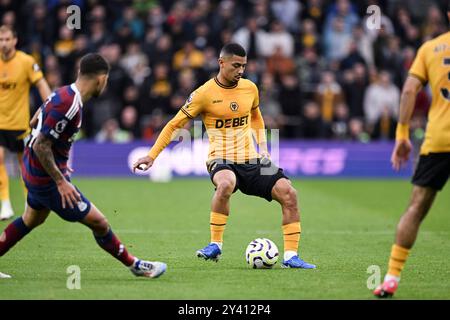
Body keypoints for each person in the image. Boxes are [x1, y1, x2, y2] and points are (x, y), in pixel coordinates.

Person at [133, 43, 316, 269]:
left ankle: (290, 257)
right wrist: (152, 155)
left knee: (289, 193)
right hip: (220, 158)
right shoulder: (203, 94)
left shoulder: (250, 88)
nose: (241, 71)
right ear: (222, 63)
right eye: (236, 65)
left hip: (251, 158)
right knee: (226, 184)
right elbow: (174, 125)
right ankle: (215, 245)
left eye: (244, 66)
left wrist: (264, 147)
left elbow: (256, 117)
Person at [0, 53, 166, 279]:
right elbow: (41, 145)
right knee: (99, 222)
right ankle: (135, 265)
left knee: (31, 219)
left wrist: (59, 160)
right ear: (101, 79)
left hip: (33, 171)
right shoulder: (70, 104)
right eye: (106, 80)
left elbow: (35, 121)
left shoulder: (61, 93)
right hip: (48, 181)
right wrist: (60, 181)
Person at [374, 6, 450, 298]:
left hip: (439, 139)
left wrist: (402, 134)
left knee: (416, 208)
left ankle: (392, 277)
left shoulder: (431, 48)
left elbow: (408, 91)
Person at [0, 25, 52, 220]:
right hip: (0, 123)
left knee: (25, 166)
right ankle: (5, 203)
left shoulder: (26, 62)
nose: (3, 43)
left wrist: (49, 109)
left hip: (21, 124)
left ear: (14, 41)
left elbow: (41, 83)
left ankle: (28, 202)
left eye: (7, 39)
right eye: (0, 40)